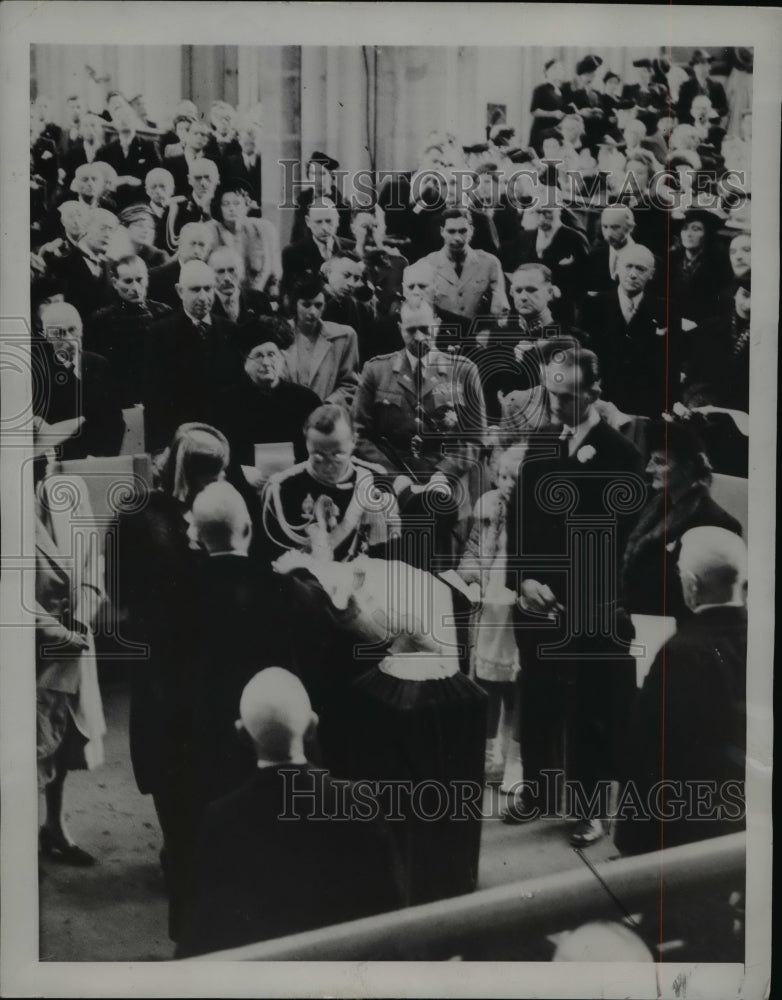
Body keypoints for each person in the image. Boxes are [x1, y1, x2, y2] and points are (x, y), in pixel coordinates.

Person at [504, 343, 645, 846]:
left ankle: (591, 808)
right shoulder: (541, 440)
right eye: (551, 393)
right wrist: (523, 580)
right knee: (537, 696)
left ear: (595, 392)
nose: (557, 403)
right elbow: (518, 517)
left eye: (567, 396)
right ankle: (538, 789)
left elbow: (616, 539)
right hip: (536, 599)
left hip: (589, 603)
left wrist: (569, 593)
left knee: (592, 707)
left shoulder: (621, 454)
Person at [176, 668, 404, 957]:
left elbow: (206, 926)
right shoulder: (358, 801)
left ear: (242, 734)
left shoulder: (221, 818)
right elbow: (389, 905)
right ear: (312, 727)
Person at [114, 422, 229, 940]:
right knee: (167, 762)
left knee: (200, 761)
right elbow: (123, 592)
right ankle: (177, 850)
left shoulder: (219, 499)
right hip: (161, 658)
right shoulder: (141, 515)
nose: (215, 482)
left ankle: (189, 851)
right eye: (207, 473)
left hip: (203, 658)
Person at [614, 527, 748, 856]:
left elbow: (647, 755)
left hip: (688, 833)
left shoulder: (678, 654)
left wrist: (631, 846)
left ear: (691, 585)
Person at [352, 299, 487, 568]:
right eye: (410, 330)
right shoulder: (376, 371)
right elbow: (360, 436)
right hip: (393, 490)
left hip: (447, 487)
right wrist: (394, 479)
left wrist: (443, 474)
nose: (419, 337)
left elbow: (475, 438)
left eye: (425, 328)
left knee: (441, 572)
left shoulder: (463, 371)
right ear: (400, 328)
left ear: (437, 324)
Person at [35, 441, 107, 868]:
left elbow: (92, 562)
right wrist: (56, 632)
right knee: (28, 744)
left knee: (61, 737)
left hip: (73, 638)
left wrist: (83, 618)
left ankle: (55, 826)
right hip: (31, 646)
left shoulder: (69, 491)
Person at [621, 421, 742, 625]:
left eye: (660, 462)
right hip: (634, 618)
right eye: (651, 460)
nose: (649, 469)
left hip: (672, 629)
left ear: (687, 467)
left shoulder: (716, 522)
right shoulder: (653, 507)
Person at [456, 445, 526, 790]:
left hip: (518, 603)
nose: (508, 483)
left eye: (516, 477)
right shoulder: (487, 505)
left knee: (516, 685)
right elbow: (472, 547)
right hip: (489, 601)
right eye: (502, 476)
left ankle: (514, 760)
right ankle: (484, 756)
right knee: (486, 683)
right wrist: (470, 579)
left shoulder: (535, 513)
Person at [262, 403, 399, 562]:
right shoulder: (283, 488)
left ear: (353, 441)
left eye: (337, 455)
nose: (328, 466)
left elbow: (388, 554)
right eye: (318, 456)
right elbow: (274, 556)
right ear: (307, 443)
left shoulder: (377, 483)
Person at [142, 260, 243, 451]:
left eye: (208, 288)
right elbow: (154, 399)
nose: (204, 297)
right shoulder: (160, 334)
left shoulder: (229, 330)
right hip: (181, 442)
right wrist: (160, 450)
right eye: (196, 290)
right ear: (180, 291)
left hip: (224, 440)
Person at [577, 243, 684, 419]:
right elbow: (583, 358)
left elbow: (672, 363)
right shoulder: (592, 306)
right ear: (617, 267)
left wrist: (670, 405)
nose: (633, 274)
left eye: (641, 269)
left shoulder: (667, 310)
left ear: (652, 274)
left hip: (646, 405)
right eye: (628, 266)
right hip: (600, 401)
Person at [218, 318, 320, 467]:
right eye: (258, 355)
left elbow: (316, 448)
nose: (266, 362)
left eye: (271, 354)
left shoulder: (306, 400)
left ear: (282, 359)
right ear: (246, 362)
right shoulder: (228, 401)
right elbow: (224, 452)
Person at [34, 300, 125, 459]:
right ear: (47, 336)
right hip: (60, 466)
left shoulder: (100, 365)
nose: (69, 339)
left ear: (81, 329)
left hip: (101, 461)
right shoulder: (39, 375)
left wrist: (102, 458)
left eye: (72, 330)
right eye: (60, 333)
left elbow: (115, 422)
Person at [84, 254, 172, 406]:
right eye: (128, 281)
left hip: (159, 395)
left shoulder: (164, 313)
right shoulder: (101, 320)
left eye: (140, 280)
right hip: (120, 398)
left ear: (147, 279)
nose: (135, 288)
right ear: (115, 282)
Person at [281, 272, 359, 408]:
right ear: (294, 305)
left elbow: (350, 385)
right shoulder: (278, 334)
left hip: (325, 420)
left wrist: (326, 407)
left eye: (318, 305)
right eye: (306, 305)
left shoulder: (343, 337)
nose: (313, 312)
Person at [418, 207, 509, 324]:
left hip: (477, 335)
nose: (457, 237)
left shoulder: (490, 263)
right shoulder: (426, 264)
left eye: (462, 231)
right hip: (442, 335)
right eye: (451, 231)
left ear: (471, 230)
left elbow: (500, 309)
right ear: (442, 232)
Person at [505, 196, 589, 312]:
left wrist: (560, 292)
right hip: (526, 306)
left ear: (559, 211)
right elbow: (511, 270)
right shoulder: (524, 237)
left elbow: (585, 280)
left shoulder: (575, 239)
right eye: (538, 212)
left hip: (561, 308)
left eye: (547, 212)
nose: (542, 217)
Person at [683, 275, 751, 415]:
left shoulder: (770, 336)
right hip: (707, 404)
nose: (748, 305)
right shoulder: (711, 327)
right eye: (745, 295)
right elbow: (693, 371)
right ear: (735, 294)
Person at [207, 179, 281, 294]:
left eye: (237, 204)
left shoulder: (261, 228)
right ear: (219, 207)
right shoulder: (210, 231)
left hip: (259, 294)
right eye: (226, 204)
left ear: (246, 205)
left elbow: (272, 268)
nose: (231, 208)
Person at [49, 205, 118, 321]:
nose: (107, 234)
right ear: (85, 228)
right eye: (103, 228)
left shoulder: (112, 264)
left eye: (111, 230)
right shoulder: (60, 265)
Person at [668, 207, 732, 324]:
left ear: (706, 234)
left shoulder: (718, 265)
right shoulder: (670, 260)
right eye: (685, 228)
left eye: (696, 229)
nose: (689, 234)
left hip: (703, 325)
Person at [281, 197, 356, 288]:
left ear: (338, 221)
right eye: (318, 222)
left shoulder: (352, 248)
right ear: (308, 222)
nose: (324, 227)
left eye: (329, 221)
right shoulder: (292, 253)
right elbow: (287, 291)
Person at [94, 104, 160, 206]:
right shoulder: (104, 152)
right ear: (114, 122)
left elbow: (158, 175)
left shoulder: (149, 147)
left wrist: (136, 182)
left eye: (128, 116)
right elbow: (97, 178)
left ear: (135, 120)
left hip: (141, 201)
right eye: (119, 117)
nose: (124, 120)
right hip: (112, 202)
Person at [320, 254, 375, 364]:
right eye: (346, 275)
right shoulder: (313, 302)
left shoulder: (358, 308)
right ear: (329, 272)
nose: (351, 284)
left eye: (356, 278)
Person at [290, 150, 354, 244]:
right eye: (313, 173)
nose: (317, 179)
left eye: (322, 174)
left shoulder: (342, 203)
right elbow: (296, 234)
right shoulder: (303, 200)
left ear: (332, 177)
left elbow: (345, 238)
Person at [148, 220, 215, 309]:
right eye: (192, 243)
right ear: (180, 244)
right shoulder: (156, 277)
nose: (196, 251)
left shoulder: (212, 278)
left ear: (208, 249)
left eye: (202, 245)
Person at [581, 205, 641, 296]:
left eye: (615, 227)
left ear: (630, 228)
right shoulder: (594, 256)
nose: (608, 234)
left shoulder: (644, 258)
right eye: (605, 227)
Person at [208, 245, 273, 325]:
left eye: (232, 270)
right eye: (220, 271)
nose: (227, 278)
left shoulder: (260, 300)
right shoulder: (206, 305)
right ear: (210, 275)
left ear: (241, 271)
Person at [166, 157, 221, 250]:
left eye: (207, 177)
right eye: (198, 178)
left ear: (217, 179)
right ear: (189, 180)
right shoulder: (177, 207)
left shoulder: (224, 207)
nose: (203, 183)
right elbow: (173, 246)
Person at [165, 118, 220, 195]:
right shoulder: (171, 163)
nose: (199, 137)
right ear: (187, 135)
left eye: (203, 134)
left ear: (207, 140)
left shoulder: (216, 162)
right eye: (195, 133)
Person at [677, 49, 729, 125]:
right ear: (695, 67)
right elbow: (681, 112)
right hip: (692, 126)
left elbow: (724, 109)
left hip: (712, 126)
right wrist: (697, 117)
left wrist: (712, 113)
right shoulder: (685, 86)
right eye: (703, 63)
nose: (708, 67)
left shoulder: (717, 86)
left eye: (708, 63)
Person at [221, 116, 263, 206]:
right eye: (245, 137)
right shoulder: (229, 162)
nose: (249, 139)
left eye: (252, 137)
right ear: (239, 140)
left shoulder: (265, 163)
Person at [529, 58, 567, 153]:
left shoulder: (561, 92)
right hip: (541, 133)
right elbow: (534, 111)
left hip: (556, 135)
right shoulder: (541, 89)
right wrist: (553, 114)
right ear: (547, 71)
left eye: (560, 68)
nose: (558, 71)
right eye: (554, 68)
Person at [117, 203, 169, 269]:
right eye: (140, 225)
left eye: (151, 227)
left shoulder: (158, 257)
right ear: (125, 226)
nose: (146, 231)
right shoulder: (115, 253)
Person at [144, 167, 177, 251]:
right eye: (153, 187)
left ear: (172, 189)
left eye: (162, 186)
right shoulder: (142, 213)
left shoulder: (180, 212)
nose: (158, 191)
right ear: (147, 190)